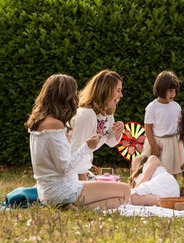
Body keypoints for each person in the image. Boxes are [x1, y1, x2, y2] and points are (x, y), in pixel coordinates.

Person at [25, 74, 130, 209]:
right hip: (64, 190)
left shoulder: (37, 123)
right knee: (125, 191)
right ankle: (74, 206)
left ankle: (71, 206)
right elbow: (65, 168)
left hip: (47, 192)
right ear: (65, 97)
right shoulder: (56, 125)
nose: (76, 99)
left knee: (116, 195)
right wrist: (87, 146)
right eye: (73, 95)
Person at [69, 69, 124, 180]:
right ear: (106, 91)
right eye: (118, 90)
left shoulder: (107, 113)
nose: (121, 95)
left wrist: (118, 130)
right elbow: (74, 152)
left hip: (83, 169)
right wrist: (83, 181)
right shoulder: (87, 114)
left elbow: (110, 142)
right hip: (71, 174)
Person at [141, 71, 184, 178]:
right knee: (157, 171)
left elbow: (179, 126)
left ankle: (174, 192)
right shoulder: (152, 107)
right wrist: (153, 145)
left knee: (174, 171)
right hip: (158, 143)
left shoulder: (176, 106)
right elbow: (148, 127)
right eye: (170, 91)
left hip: (174, 142)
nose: (173, 94)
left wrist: (183, 142)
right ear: (161, 89)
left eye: (175, 91)